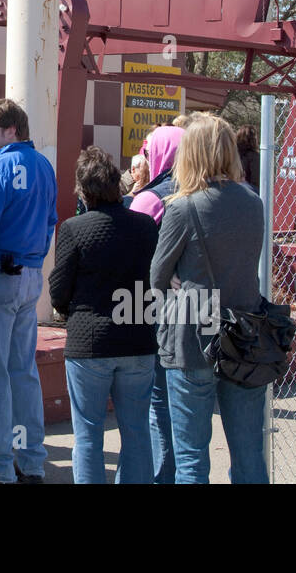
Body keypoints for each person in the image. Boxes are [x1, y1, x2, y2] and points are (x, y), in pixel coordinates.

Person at [150, 114, 267, 484]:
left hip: (192, 339)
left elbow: (157, 276)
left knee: (191, 458)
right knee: (249, 454)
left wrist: (182, 282)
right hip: (245, 334)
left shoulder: (182, 207)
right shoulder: (253, 202)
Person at [49, 147, 159, 483]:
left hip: (89, 344)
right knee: (137, 432)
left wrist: (72, 312)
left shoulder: (74, 229)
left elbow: (58, 289)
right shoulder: (145, 226)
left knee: (87, 434)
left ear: (83, 190)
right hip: (138, 338)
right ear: (118, 185)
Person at [0, 98, 58, 484]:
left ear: (11, 130)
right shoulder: (43, 165)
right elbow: (52, 218)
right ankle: (31, 460)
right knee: (22, 370)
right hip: (31, 274)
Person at [130, 124, 185, 483]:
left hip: (152, 312)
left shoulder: (150, 200)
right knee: (186, 410)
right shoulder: (201, 193)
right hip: (200, 311)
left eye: (148, 154)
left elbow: (128, 254)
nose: (144, 161)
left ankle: (162, 476)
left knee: (159, 405)